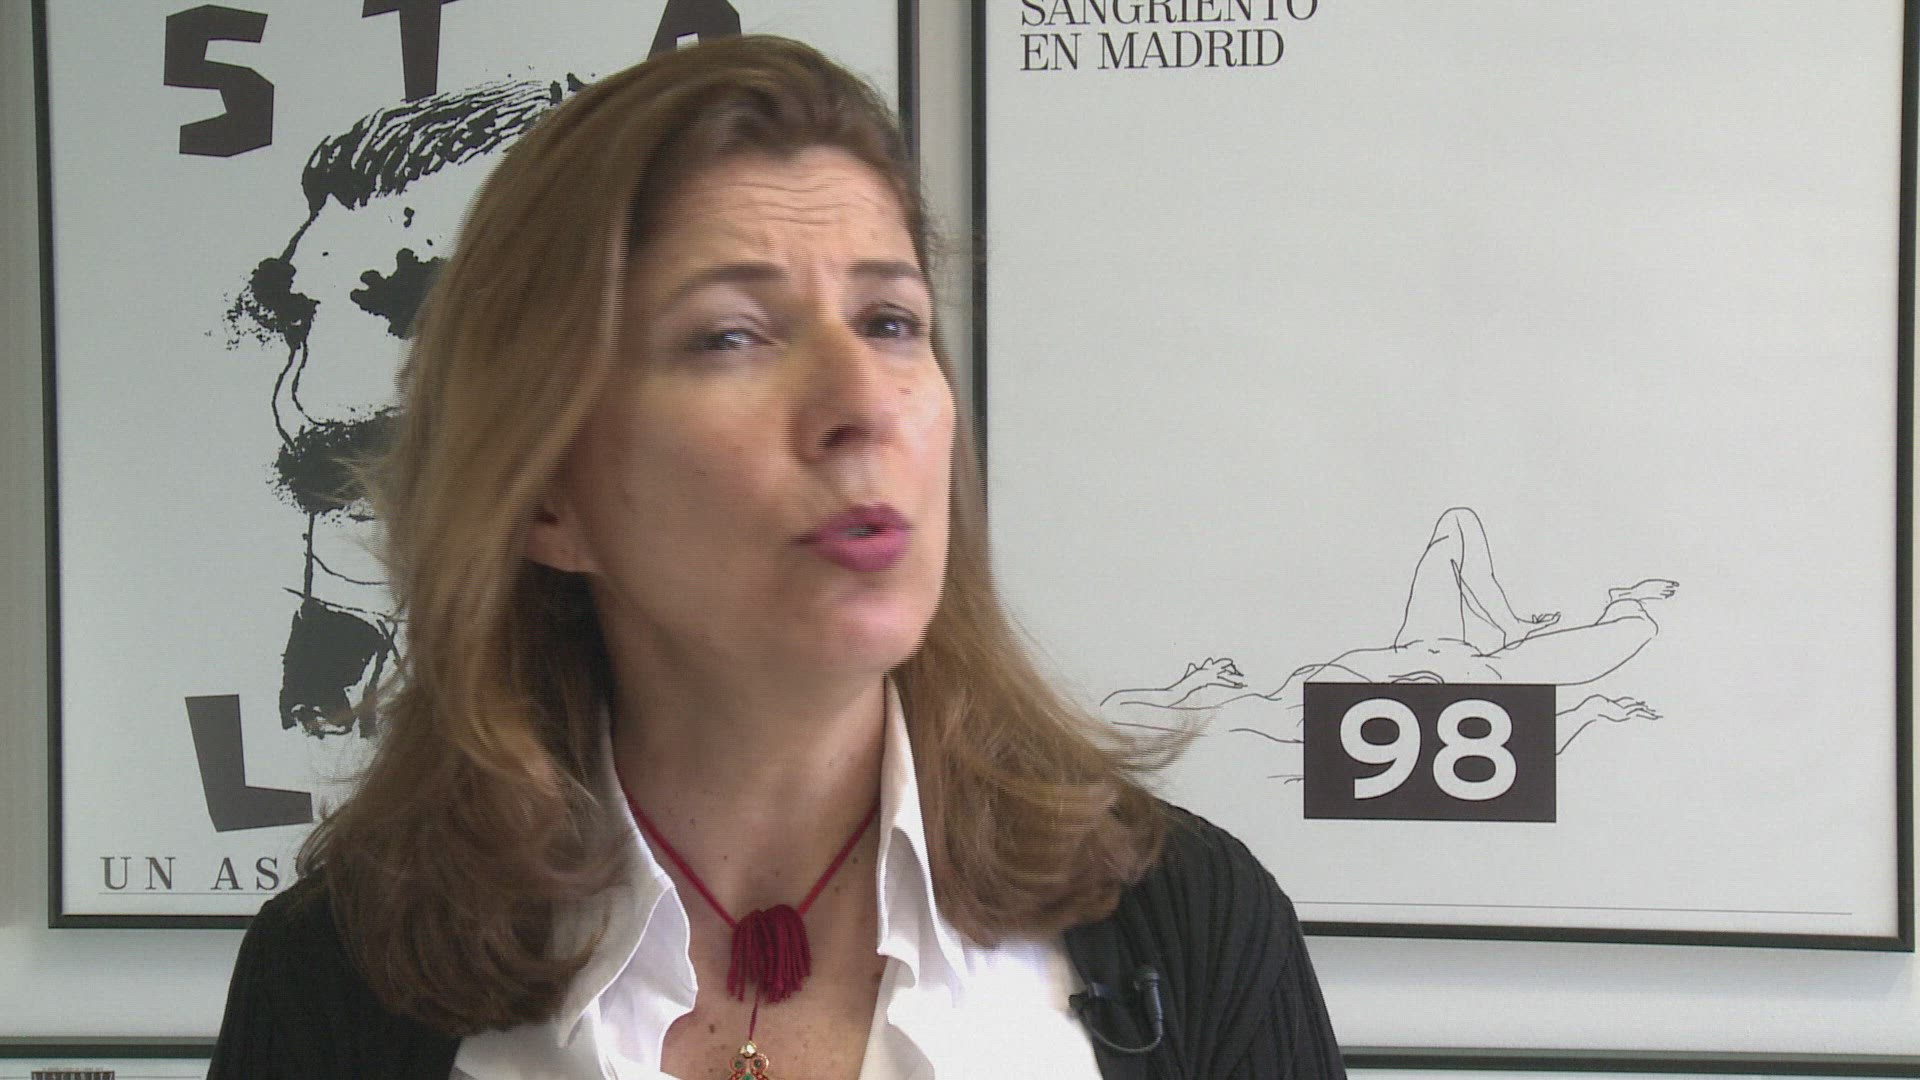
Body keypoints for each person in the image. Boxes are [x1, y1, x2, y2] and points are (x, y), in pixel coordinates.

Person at [208, 36, 1344, 1080]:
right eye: (731, 336)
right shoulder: (337, 984)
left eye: (890, 321)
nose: (864, 403)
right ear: (549, 494)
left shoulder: (1190, 926)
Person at [1101, 506, 1675, 772]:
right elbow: (1521, 749)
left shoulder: (1275, 710)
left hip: (1425, 647)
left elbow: (1117, 712)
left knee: (1457, 523)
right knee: (1638, 628)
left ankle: (1511, 623)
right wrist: (1589, 711)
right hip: (1480, 671)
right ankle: (1620, 600)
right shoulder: (1286, 719)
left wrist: (1185, 686)